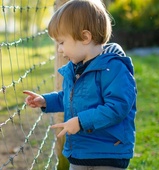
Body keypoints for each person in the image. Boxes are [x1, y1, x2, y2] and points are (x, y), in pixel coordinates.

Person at [23, 0, 137, 169]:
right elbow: (69, 96)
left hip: (108, 152)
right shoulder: (75, 69)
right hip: (80, 152)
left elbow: (118, 107)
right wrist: (46, 101)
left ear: (85, 37)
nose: (59, 50)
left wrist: (81, 122)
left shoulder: (113, 68)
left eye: (62, 43)